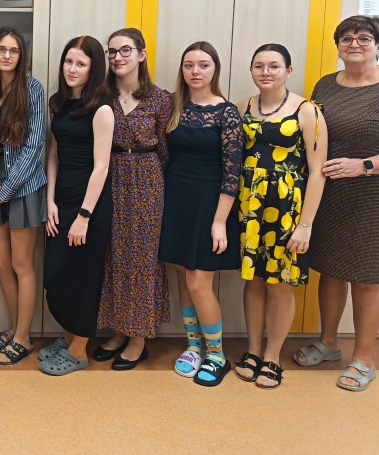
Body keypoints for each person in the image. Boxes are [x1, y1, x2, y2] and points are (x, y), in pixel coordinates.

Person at [295, 15, 379, 392]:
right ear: (338, 46)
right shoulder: (326, 85)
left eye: (364, 38)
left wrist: (364, 165)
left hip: (371, 196)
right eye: (347, 38)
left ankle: (364, 358)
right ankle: (328, 343)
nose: (354, 44)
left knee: (366, 275)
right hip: (329, 193)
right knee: (330, 269)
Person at [234, 44, 327, 389]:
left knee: (280, 283)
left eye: (273, 66)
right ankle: (253, 350)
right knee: (253, 280)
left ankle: (273, 356)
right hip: (249, 207)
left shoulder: (307, 111)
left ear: (288, 70)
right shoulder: (243, 106)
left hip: (287, 210)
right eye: (258, 66)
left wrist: (306, 225)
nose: (265, 72)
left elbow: (317, 172)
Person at [159, 41, 242, 386]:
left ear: (215, 69)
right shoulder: (173, 106)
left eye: (203, 65)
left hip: (210, 203)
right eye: (189, 65)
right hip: (176, 199)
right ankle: (194, 346)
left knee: (198, 280)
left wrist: (220, 221)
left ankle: (217, 354)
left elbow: (233, 172)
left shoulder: (227, 112)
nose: (195, 71)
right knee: (183, 275)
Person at [95, 28, 172, 370]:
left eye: (125, 50)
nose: (117, 57)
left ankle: (138, 338)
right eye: (112, 52)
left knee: (142, 260)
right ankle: (118, 330)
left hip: (146, 180)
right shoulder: (102, 96)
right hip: (110, 176)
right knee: (113, 256)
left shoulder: (160, 99)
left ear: (141, 54)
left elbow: (166, 150)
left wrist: (151, 178)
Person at [39, 36, 114, 376]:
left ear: (93, 69)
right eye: (69, 61)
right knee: (56, 277)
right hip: (62, 200)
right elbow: (54, 153)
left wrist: (84, 215)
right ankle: (69, 336)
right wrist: (50, 200)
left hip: (89, 205)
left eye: (81, 64)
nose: (72, 69)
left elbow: (102, 167)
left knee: (83, 278)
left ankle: (79, 350)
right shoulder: (59, 103)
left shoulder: (101, 109)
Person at [0, 28, 47, 366]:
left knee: (22, 264)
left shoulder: (32, 88)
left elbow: (35, 145)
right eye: (1, 49)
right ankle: (13, 327)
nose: (7, 56)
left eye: (14, 50)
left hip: (25, 188)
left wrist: (8, 188)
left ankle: (23, 338)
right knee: (1, 262)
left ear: (22, 56)